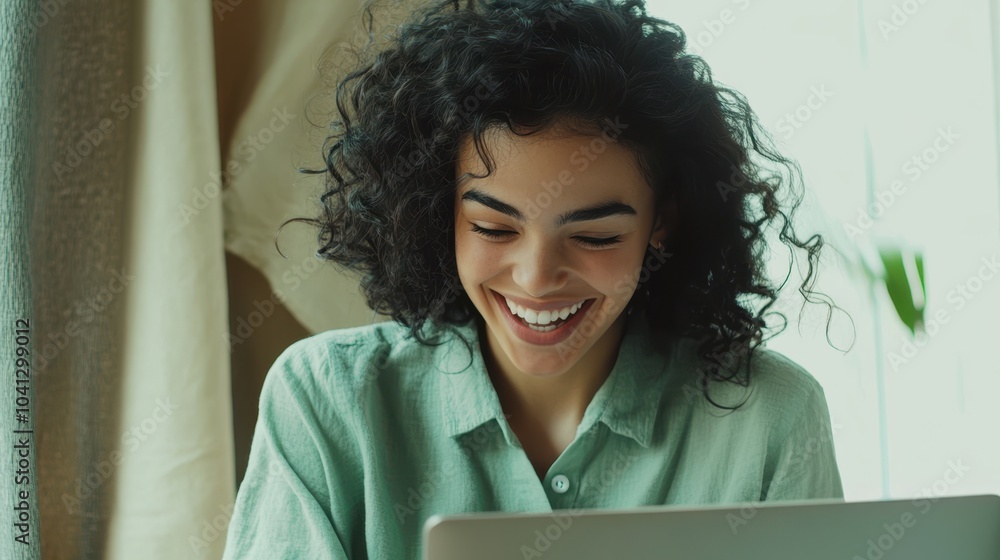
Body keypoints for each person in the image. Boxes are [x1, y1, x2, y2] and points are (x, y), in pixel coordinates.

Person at [221, 0, 848, 557]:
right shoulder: (326, 401)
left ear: (662, 224)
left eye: (594, 236)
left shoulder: (770, 417)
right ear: (441, 215)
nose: (537, 277)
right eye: (494, 229)